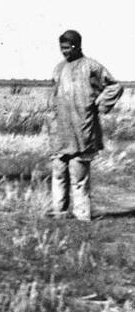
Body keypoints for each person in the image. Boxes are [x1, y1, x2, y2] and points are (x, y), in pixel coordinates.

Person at [48, 29, 123, 221]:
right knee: (58, 171)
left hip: (83, 128)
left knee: (78, 173)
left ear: (77, 46)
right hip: (60, 130)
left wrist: (99, 104)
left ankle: (81, 216)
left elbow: (115, 86)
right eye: (61, 48)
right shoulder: (58, 69)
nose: (64, 51)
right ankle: (59, 212)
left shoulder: (92, 67)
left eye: (67, 47)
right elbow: (53, 97)